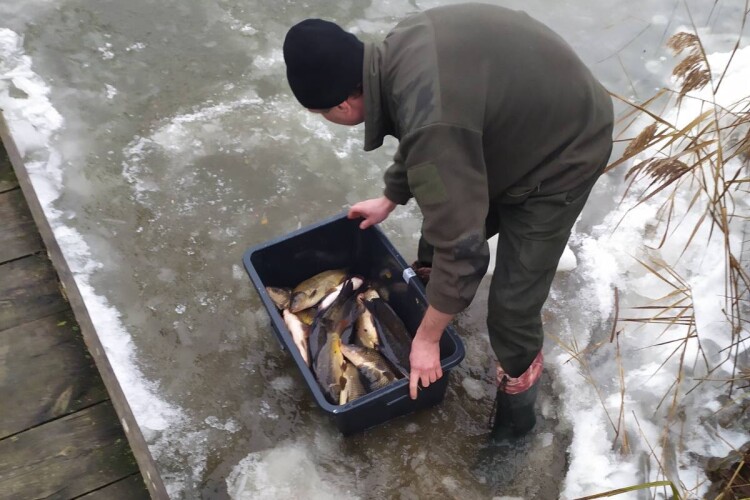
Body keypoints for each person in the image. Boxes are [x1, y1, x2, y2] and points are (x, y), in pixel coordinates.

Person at [283, 3, 613, 440]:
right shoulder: (395, 52)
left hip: (566, 150)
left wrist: (424, 340)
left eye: (322, 113)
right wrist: (391, 196)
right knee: (435, 243)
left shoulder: (429, 118)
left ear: (343, 103)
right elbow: (431, 135)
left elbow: (462, 244)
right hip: (510, 124)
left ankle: (516, 429)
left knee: (512, 311)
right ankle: (435, 319)